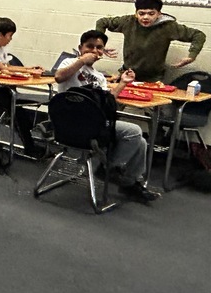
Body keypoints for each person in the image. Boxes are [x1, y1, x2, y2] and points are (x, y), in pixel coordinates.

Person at [53, 30, 161, 203]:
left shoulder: (99, 77)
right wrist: (81, 61)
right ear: (81, 48)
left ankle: (129, 183)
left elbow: (108, 101)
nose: (94, 51)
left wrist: (123, 83)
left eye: (99, 48)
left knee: (140, 142)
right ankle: (107, 167)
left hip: (95, 123)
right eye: (89, 46)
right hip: (72, 122)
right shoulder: (70, 62)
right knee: (134, 131)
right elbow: (58, 77)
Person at [0, 17, 46, 158]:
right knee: (17, 110)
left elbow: (8, 67)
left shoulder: (1, 48)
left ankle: (30, 144)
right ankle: (29, 147)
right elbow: (1, 68)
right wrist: (27, 72)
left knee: (19, 109)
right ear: (0, 35)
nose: (10, 39)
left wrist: (30, 68)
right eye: (9, 35)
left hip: (2, 89)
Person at [95, 0, 205, 82]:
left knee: (152, 108)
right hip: (127, 72)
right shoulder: (128, 22)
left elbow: (199, 35)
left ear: (159, 14)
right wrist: (99, 45)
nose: (146, 17)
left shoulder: (168, 27)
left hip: (154, 78)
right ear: (136, 13)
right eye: (141, 13)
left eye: (151, 13)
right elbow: (102, 22)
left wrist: (192, 56)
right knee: (116, 103)